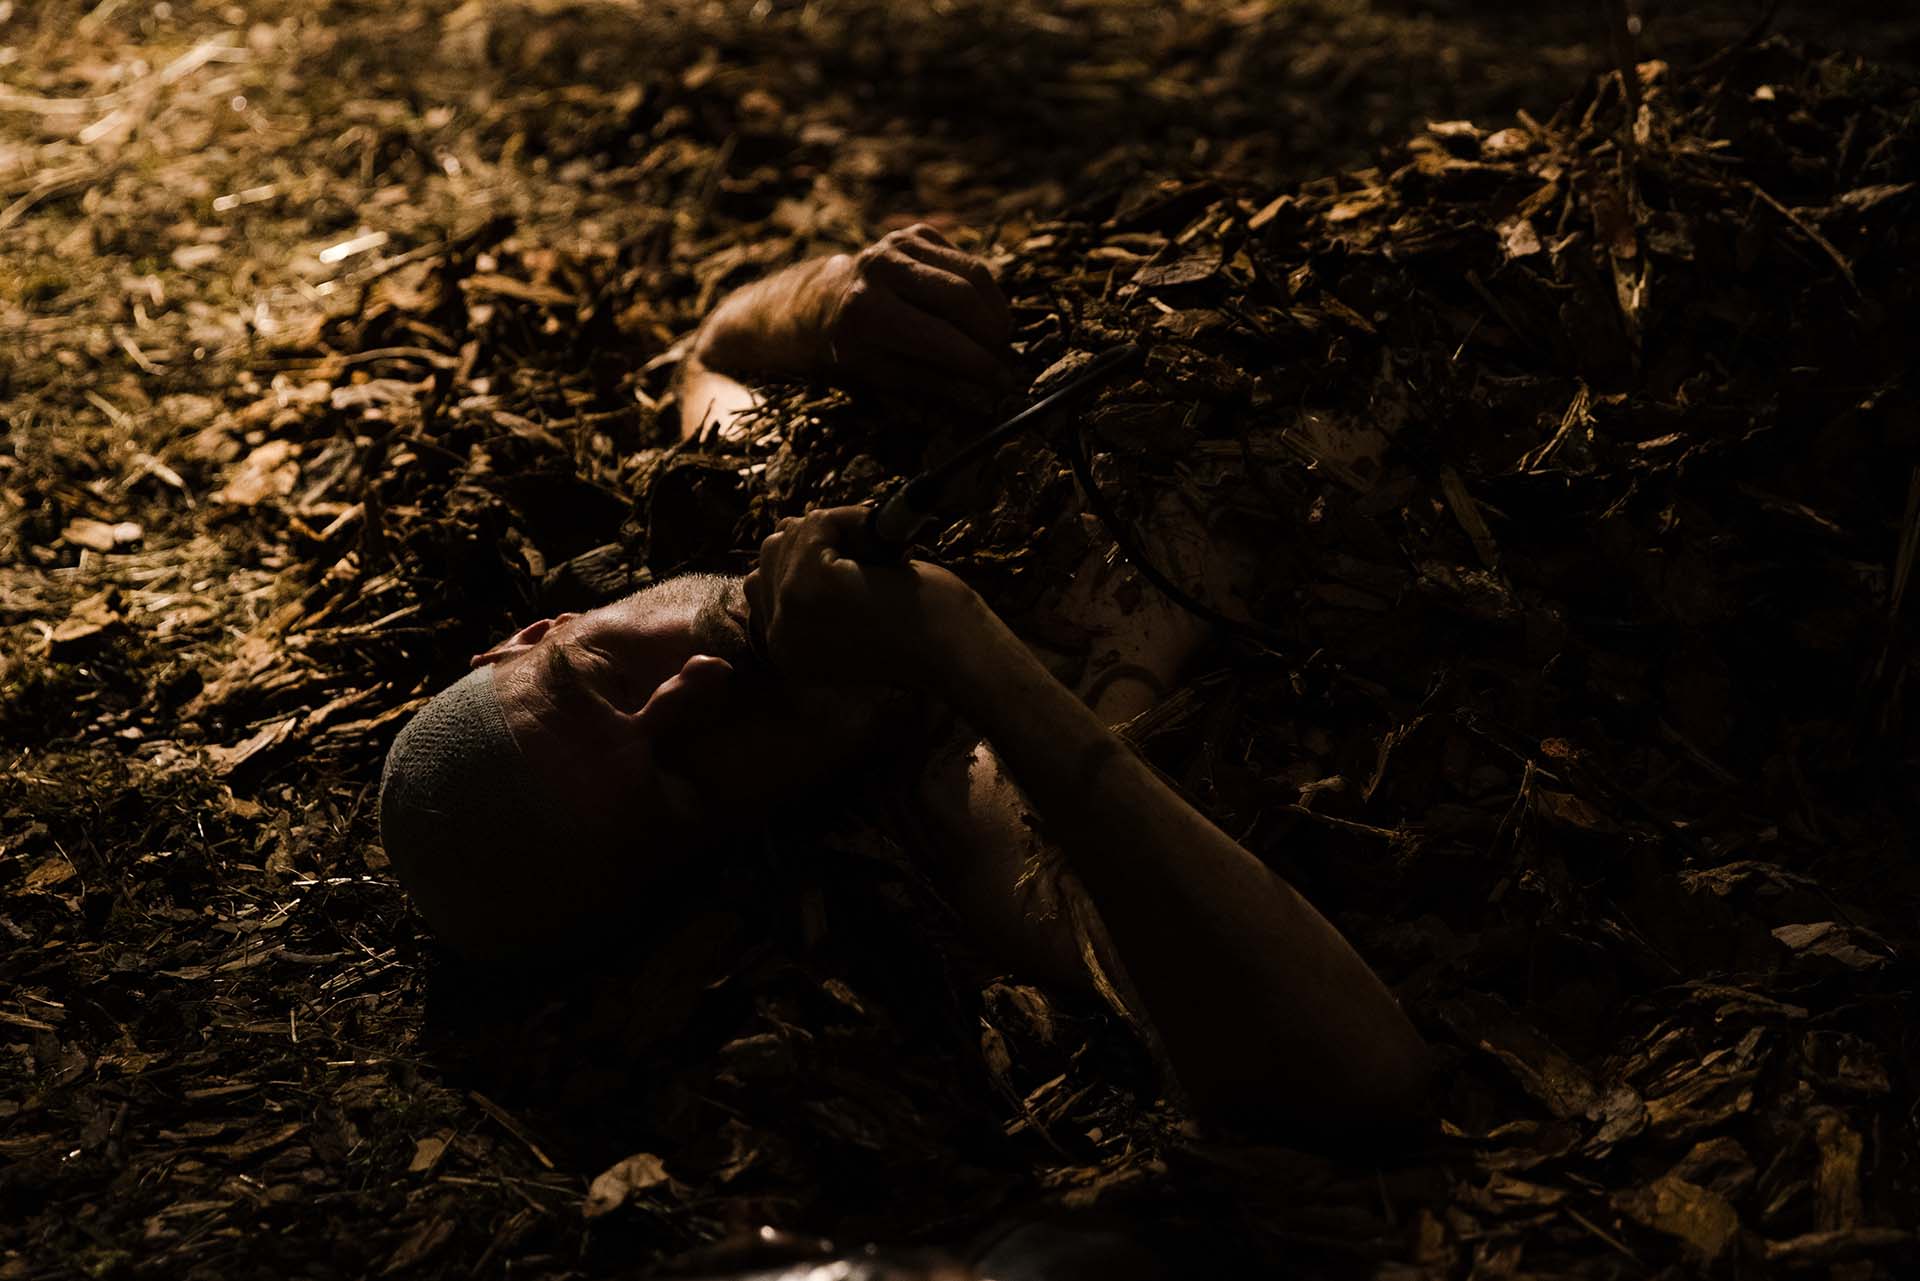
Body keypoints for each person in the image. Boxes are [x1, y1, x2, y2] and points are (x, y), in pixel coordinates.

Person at [379, 224, 1430, 1138]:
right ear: (720, 866)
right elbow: (1364, 1075)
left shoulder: (760, 486)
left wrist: (833, 296)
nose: (699, 682)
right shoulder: (982, 803)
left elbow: (717, 346)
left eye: (609, 672)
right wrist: (963, 647)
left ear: (542, 628)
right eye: (679, 774)